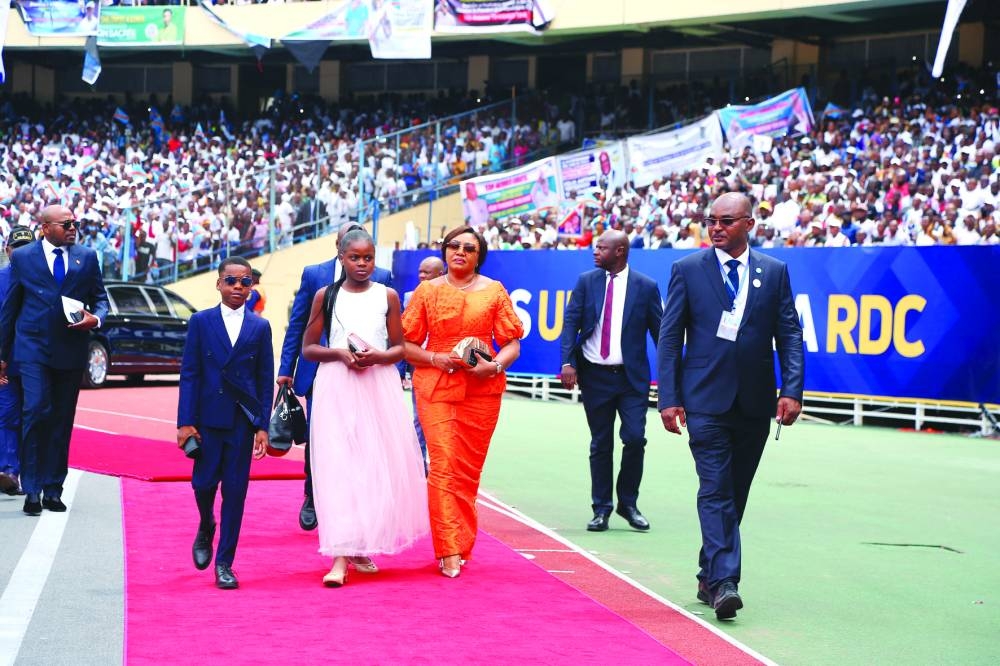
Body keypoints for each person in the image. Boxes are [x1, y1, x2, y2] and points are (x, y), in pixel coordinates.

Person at [657, 192, 804, 620]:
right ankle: (725, 582)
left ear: (749, 224)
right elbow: (670, 338)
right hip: (704, 400)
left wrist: (792, 389)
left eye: (726, 221)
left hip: (755, 402)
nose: (716, 228)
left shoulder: (774, 272)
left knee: (735, 492)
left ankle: (708, 574)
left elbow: (789, 335)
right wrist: (669, 398)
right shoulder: (687, 269)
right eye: (711, 221)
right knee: (716, 488)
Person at [301, 227, 428, 587]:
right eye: (354, 257)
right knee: (340, 466)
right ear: (341, 258)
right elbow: (309, 348)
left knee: (373, 465)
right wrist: (340, 353)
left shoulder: (387, 295)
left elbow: (400, 348)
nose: (362, 263)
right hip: (337, 385)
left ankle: (360, 545)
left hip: (377, 387)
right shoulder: (326, 295)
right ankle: (340, 557)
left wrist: (377, 357)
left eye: (368, 257)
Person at [402, 226, 524, 578]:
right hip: (435, 385)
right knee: (442, 464)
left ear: (478, 255)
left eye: (469, 248)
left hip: (481, 389)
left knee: (467, 471)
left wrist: (495, 365)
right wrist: (435, 358)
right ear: (445, 251)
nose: (460, 252)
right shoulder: (427, 291)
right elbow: (406, 343)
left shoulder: (494, 291)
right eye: (454, 246)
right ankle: (448, 549)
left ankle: (462, 542)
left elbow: (512, 342)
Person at [277, 224, 393, 531]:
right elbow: (298, 325)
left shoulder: (382, 279)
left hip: (367, 373)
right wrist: (286, 369)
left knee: (364, 439)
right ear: (339, 248)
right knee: (321, 437)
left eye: (366, 254)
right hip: (320, 371)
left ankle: (358, 504)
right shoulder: (314, 274)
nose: (360, 261)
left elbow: (392, 332)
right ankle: (313, 496)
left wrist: (393, 370)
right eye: (350, 249)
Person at [0, 205, 109, 516]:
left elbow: (100, 299)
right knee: (35, 411)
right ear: (45, 227)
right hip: (32, 349)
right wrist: (2, 355)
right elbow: (11, 308)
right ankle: (32, 489)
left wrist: (96, 319)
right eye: (66, 224)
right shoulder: (23, 257)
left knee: (60, 421)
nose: (73, 228)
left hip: (70, 350)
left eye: (75, 223)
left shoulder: (87, 257)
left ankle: (53, 489)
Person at [176, 257, 273, 590]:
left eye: (245, 282)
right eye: (231, 280)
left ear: (252, 287)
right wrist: (185, 422)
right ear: (219, 283)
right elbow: (189, 374)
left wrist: (262, 426)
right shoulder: (201, 322)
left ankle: (224, 563)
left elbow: (264, 378)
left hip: (241, 423)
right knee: (202, 484)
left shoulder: (260, 327)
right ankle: (206, 523)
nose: (238, 287)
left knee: (235, 492)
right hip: (206, 420)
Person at [559, 230, 663, 532]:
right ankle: (601, 508)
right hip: (595, 376)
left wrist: (672, 374)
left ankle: (628, 504)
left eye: (601, 247)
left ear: (619, 251)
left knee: (635, 438)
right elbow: (571, 323)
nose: (595, 251)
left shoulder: (646, 286)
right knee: (601, 443)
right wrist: (568, 362)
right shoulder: (586, 281)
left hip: (631, 379)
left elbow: (660, 333)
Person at [0, 226, 36, 496]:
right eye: (18, 249)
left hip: (37, 363)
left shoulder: (46, 278)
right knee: (8, 415)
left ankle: (30, 474)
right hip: (6, 364)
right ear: (8, 250)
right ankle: (9, 471)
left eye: (28, 248)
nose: (23, 253)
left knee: (35, 417)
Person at [403, 256, 445, 468]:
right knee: (419, 417)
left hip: (446, 367)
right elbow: (403, 336)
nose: (421, 276)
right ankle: (419, 465)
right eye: (420, 271)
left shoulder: (453, 296)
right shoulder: (410, 297)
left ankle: (441, 466)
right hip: (419, 366)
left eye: (426, 272)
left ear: (440, 274)